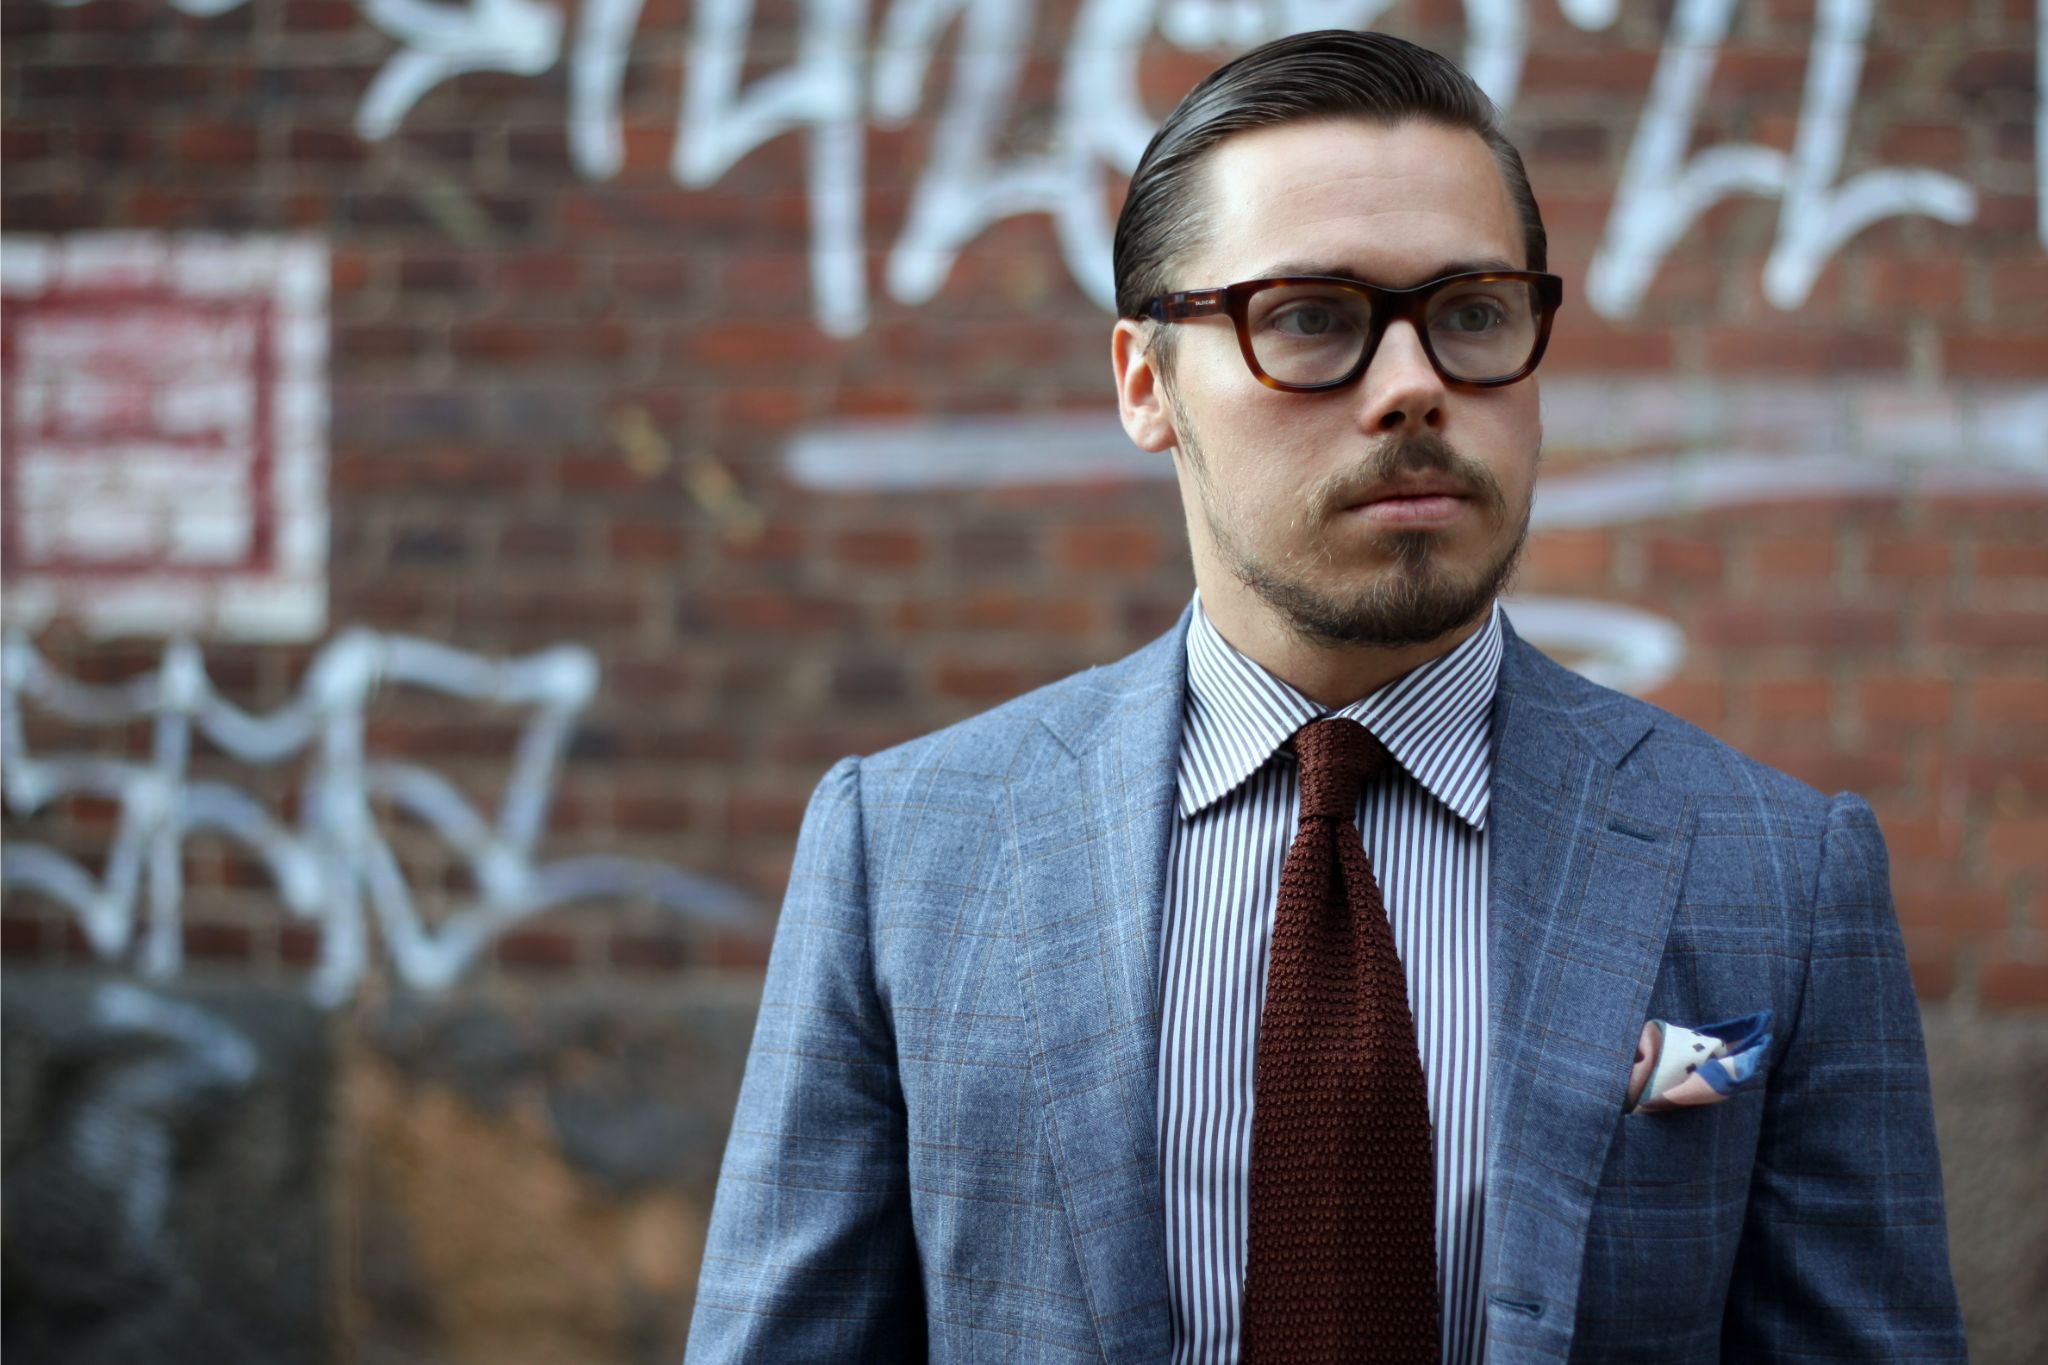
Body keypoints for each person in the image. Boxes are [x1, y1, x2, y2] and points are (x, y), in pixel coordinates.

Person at [685, 29, 1964, 1364]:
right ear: (1147, 383)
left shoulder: (1780, 871)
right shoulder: (908, 852)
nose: (1413, 386)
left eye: (1472, 312)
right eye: (1309, 317)